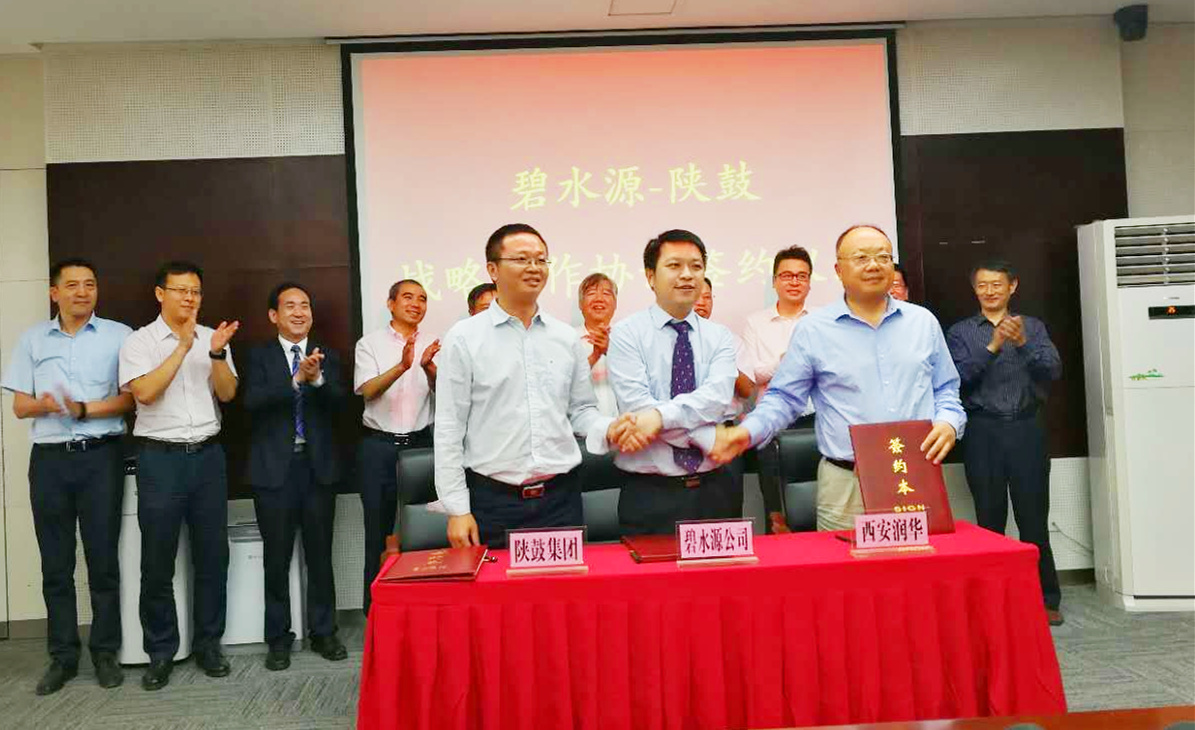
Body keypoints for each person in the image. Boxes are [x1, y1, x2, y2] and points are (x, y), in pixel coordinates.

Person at [711, 225, 965, 531]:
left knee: (919, 562)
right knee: (845, 563)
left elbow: (946, 388)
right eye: (861, 257)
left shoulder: (923, 322)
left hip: (914, 474)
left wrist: (949, 422)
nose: (874, 265)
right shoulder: (814, 330)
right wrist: (747, 432)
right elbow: (784, 398)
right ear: (838, 270)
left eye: (883, 257)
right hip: (846, 483)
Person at [435, 223, 640, 547]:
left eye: (541, 259)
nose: (534, 267)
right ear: (492, 269)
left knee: (564, 582)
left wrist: (610, 428)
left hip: (561, 500)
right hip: (493, 502)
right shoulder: (464, 338)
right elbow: (449, 427)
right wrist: (457, 509)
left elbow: (581, 410)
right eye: (521, 259)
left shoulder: (565, 338)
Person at [1, 258, 134, 695]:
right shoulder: (32, 339)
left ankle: (105, 652)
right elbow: (20, 406)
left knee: (103, 561)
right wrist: (47, 405)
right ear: (54, 293)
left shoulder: (120, 335)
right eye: (72, 285)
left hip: (101, 458)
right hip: (50, 461)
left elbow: (130, 400)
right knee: (56, 564)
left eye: (90, 284)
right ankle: (63, 656)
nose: (82, 292)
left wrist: (82, 409)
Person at [119, 260, 239, 690]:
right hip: (160, 460)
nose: (190, 298)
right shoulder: (139, 342)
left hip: (207, 457)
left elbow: (227, 393)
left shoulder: (213, 337)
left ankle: (208, 644)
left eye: (196, 292)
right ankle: (160, 652)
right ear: (160, 294)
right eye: (181, 290)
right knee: (157, 561)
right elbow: (146, 394)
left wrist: (216, 353)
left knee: (212, 557)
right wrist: (182, 348)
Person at [946, 259, 1063, 625]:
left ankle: (1045, 599)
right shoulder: (961, 332)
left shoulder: (1033, 327)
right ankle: (992, 602)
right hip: (982, 432)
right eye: (983, 285)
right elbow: (957, 379)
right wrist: (993, 345)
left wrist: (1023, 343)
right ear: (974, 289)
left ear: (1012, 287)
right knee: (989, 521)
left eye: (997, 284)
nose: (990, 291)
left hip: (1027, 429)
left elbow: (1053, 370)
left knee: (1033, 521)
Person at [242, 282, 348, 670]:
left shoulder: (327, 355)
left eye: (305, 305)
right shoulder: (257, 356)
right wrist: (295, 381)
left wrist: (317, 379)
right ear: (274, 315)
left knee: (320, 556)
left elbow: (342, 405)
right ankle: (278, 638)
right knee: (276, 558)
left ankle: (324, 632)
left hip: (317, 469)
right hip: (274, 470)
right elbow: (251, 402)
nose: (299, 312)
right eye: (290, 306)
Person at [607, 230, 740, 536]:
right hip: (651, 493)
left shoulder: (719, 336)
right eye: (674, 265)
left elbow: (717, 400)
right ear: (650, 276)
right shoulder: (627, 334)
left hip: (715, 490)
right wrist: (707, 435)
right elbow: (638, 410)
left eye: (696, 266)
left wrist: (659, 418)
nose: (687, 275)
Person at [353, 279, 439, 613]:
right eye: (408, 297)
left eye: (422, 299)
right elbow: (368, 390)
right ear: (391, 304)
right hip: (379, 448)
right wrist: (402, 366)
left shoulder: (436, 343)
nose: (416, 304)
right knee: (377, 531)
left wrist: (429, 369)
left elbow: (447, 396)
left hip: (421, 447)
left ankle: (423, 606)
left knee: (425, 531)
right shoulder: (369, 344)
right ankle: (375, 611)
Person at [742, 246, 816, 534]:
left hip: (815, 417)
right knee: (775, 502)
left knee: (815, 497)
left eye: (801, 276)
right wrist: (786, 361)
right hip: (771, 420)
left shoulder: (821, 320)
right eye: (786, 275)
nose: (794, 282)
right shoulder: (755, 322)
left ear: (809, 281)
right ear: (774, 281)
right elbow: (753, 373)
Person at [577, 272, 619, 417]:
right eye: (591, 293)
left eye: (606, 293)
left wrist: (611, 351)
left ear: (615, 304)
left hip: (623, 425)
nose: (599, 299)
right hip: (580, 427)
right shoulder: (568, 340)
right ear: (580, 304)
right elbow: (562, 385)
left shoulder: (627, 340)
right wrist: (594, 356)